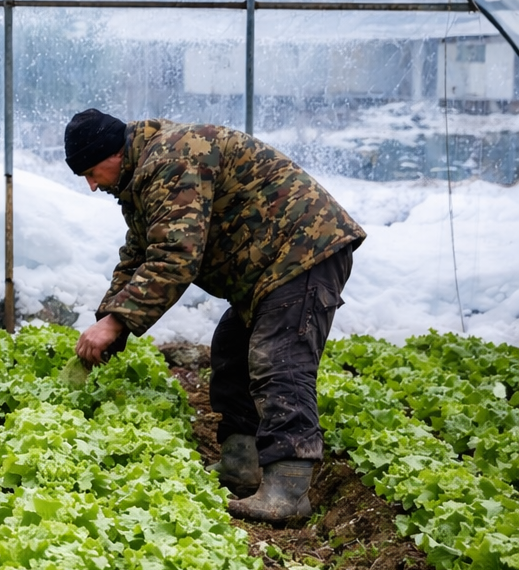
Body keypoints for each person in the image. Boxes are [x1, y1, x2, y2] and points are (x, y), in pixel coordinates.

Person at [64, 108, 365, 523]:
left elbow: (175, 257)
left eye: (92, 172)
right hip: (270, 263)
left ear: (113, 153)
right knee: (231, 347)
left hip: (303, 249)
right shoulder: (143, 177)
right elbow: (139, 254)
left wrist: (115, 322)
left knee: (279, 359)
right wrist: (109, 322)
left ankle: (288, 490)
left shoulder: (171, 159)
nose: (92, 185)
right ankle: (241, 467)